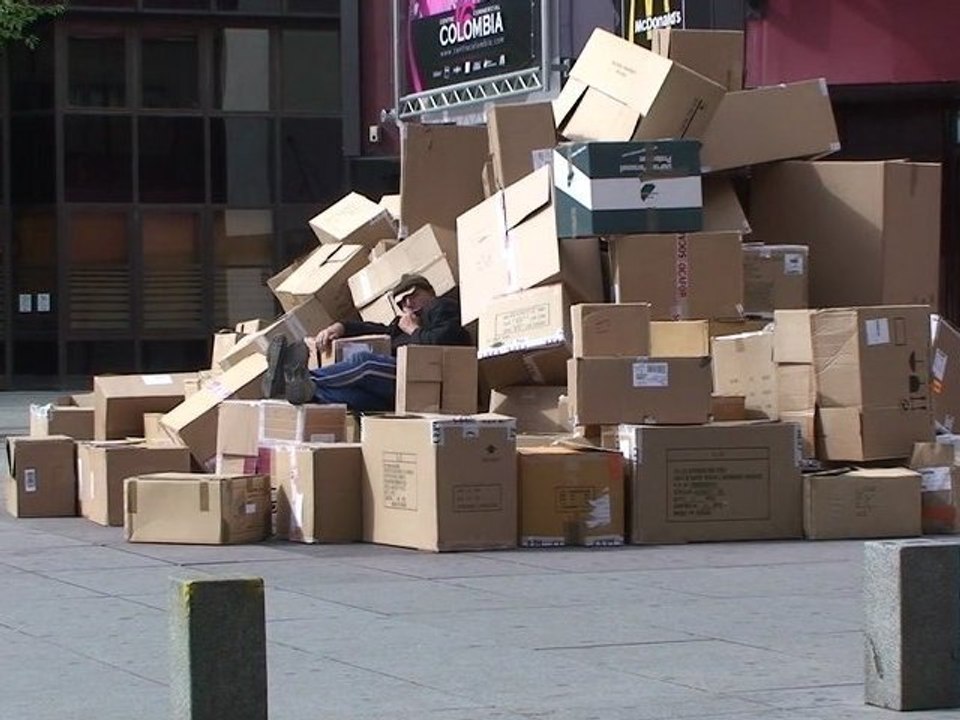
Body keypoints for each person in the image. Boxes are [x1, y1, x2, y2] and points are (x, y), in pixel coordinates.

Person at [264, 274, 472, 411]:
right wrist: (341, 327)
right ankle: (294, 390)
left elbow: (442, 342)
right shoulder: (403, 323)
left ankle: (297, 379)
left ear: (430, 291)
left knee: (365, 363)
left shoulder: (441, 307)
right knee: (349, 398)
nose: (408, 304)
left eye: (413, 295)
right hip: (395, 395)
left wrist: (413, 329)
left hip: (423, 381)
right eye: (402, 302)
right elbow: (378, 330)